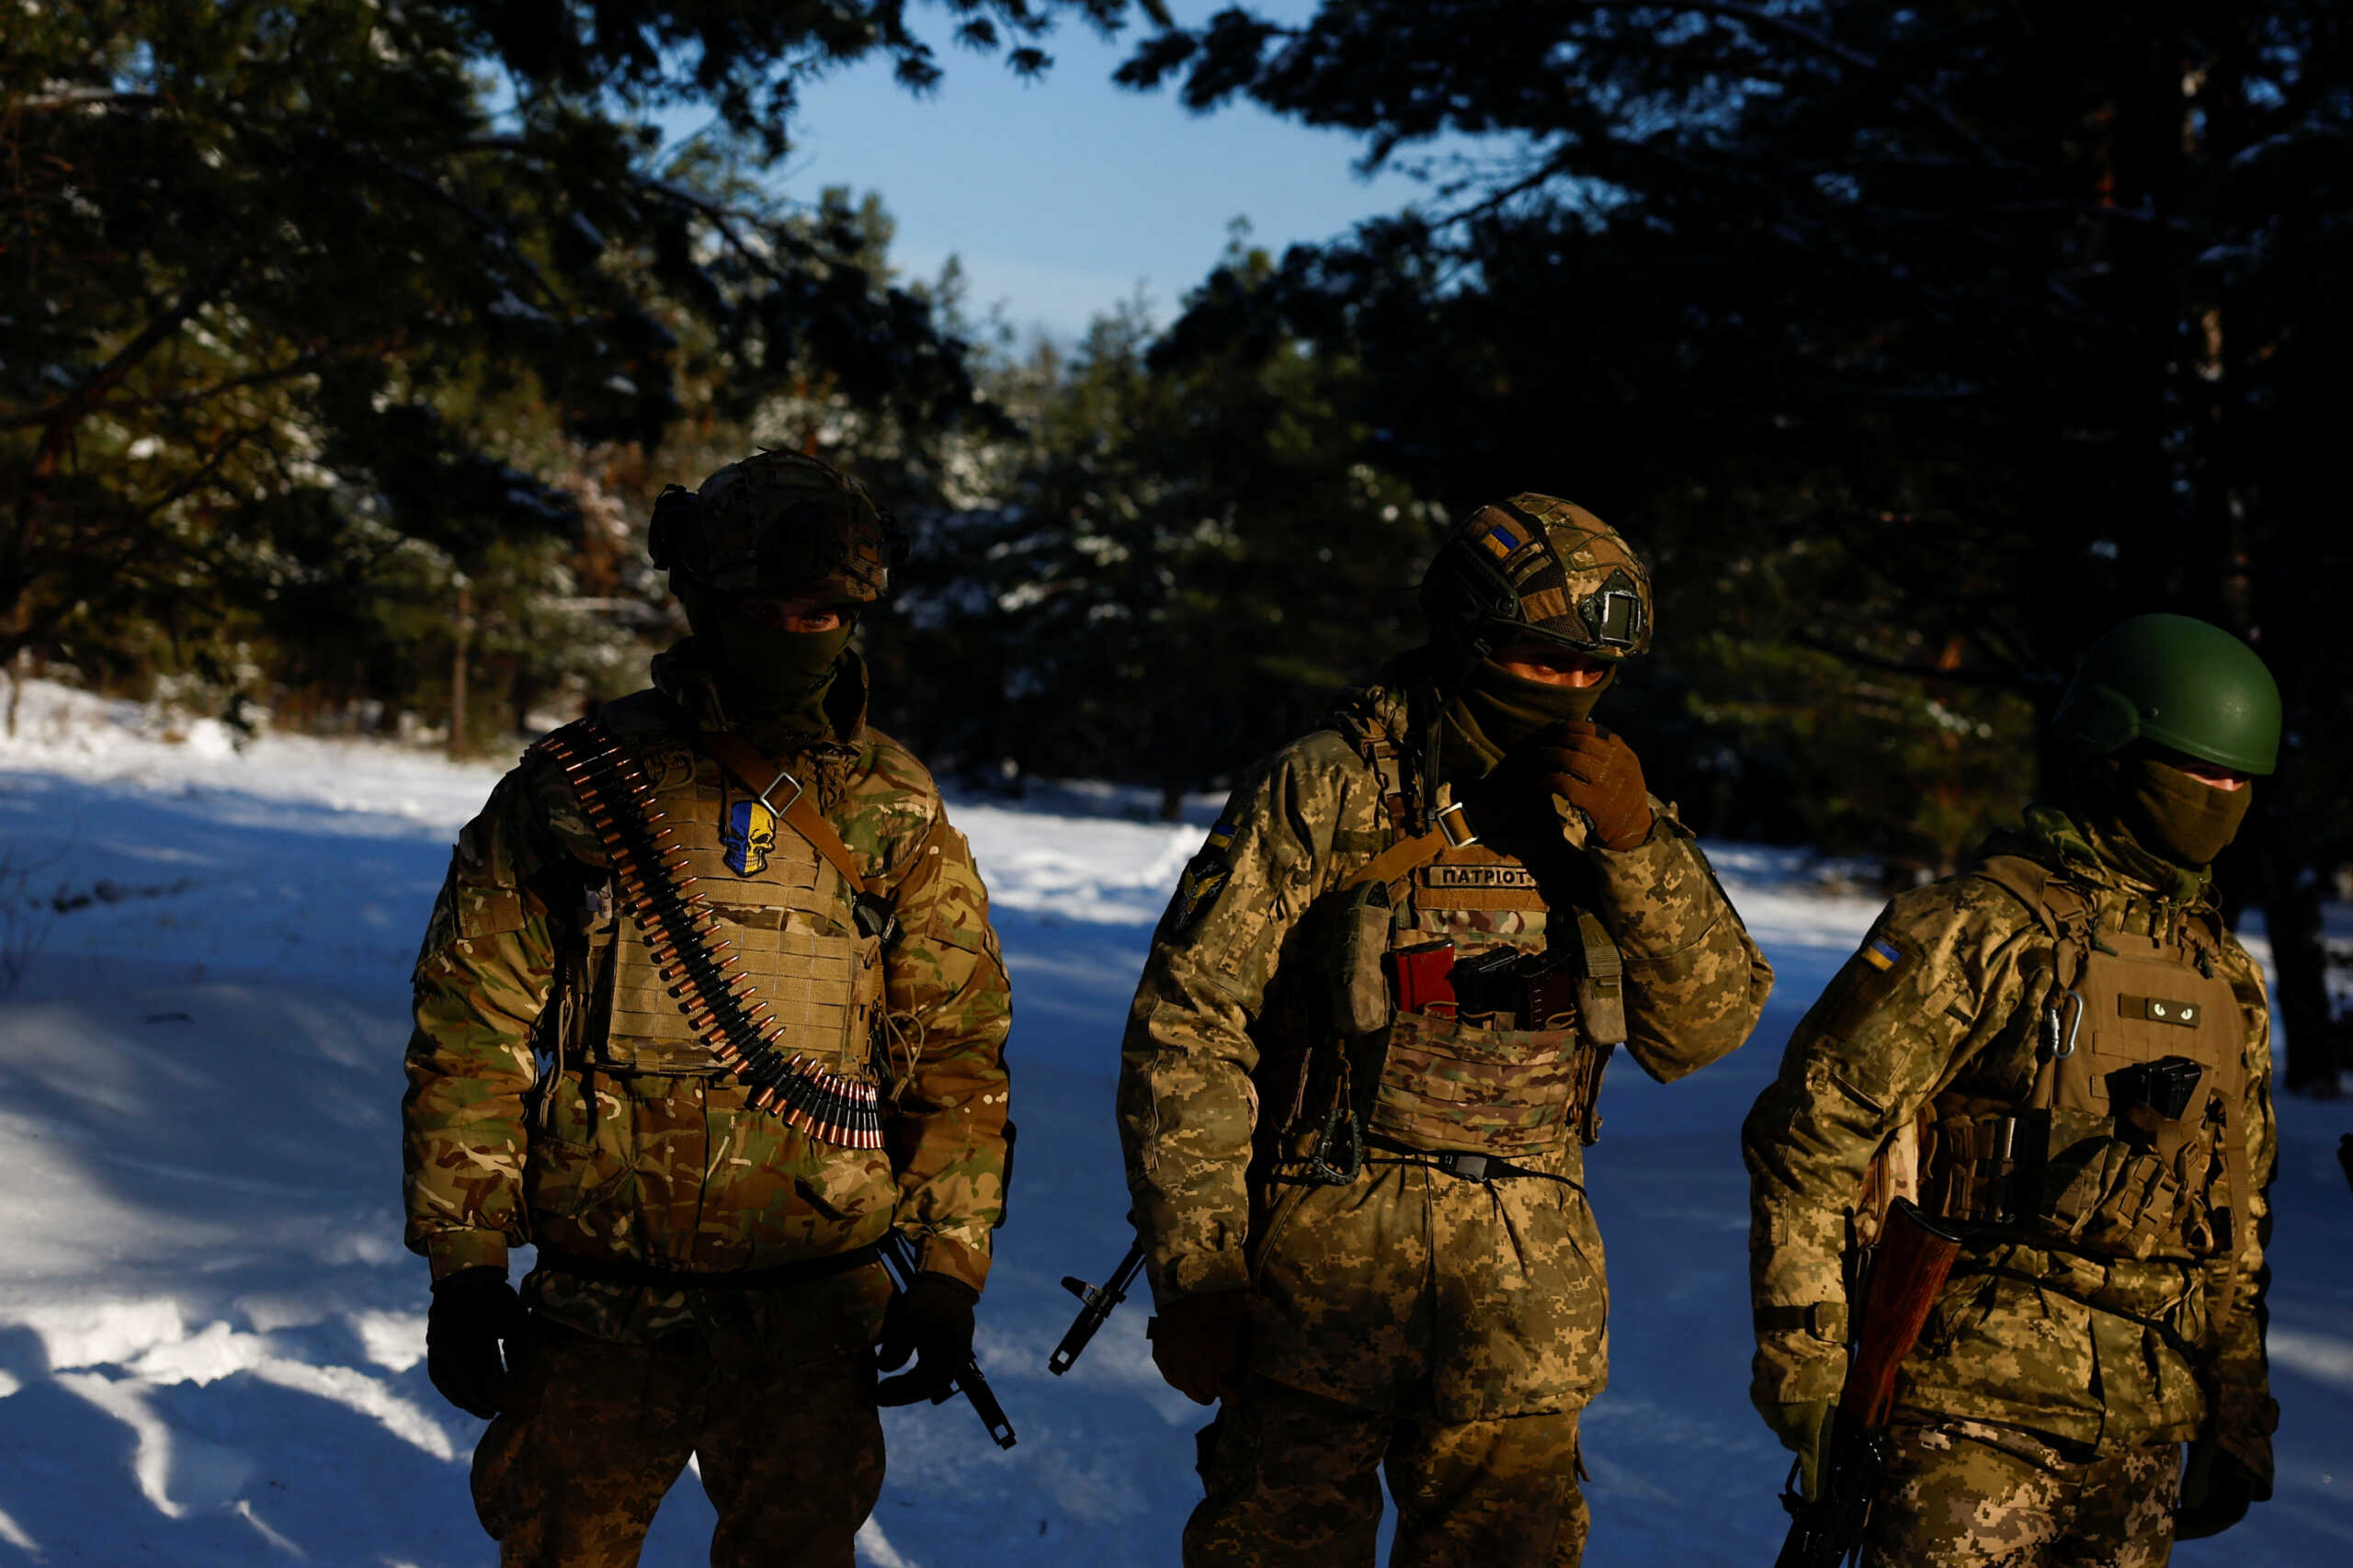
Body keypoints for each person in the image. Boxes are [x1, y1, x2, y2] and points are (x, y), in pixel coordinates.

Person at [1117, 494, 1773, 1566]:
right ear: (1467, 632)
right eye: (1539, 655)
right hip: (1311, 1294)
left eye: (1591, 668)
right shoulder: (1328, 785)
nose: (1566, 688)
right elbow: (1190, 1024)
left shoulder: (1597, 802)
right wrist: (1199, 1271)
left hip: (1521, 1316)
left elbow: (1701, 1028)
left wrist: (1637, 842)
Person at [402, 450, 1013, 1568]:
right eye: (768, 608)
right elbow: (469, 1029)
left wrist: (947, 1267)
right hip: (598, 1303)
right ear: (701, 600)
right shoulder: (577, 783)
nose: (800, 628)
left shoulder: (893, 806)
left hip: (814, 1308)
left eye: (825, 610)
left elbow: (958, 1057)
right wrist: (467, 1259)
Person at [1745, 612, 2281, 1566]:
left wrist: (2235, 1410)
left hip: (2142, 1432)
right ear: (2114, 751)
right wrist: (1807, 1358)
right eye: (2196, 769)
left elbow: (2233, 1217)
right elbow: (1811, 1133)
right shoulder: (1979, 926)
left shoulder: (2223, 972)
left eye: (2238, 778)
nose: (2220, 795)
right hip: (1967, 1418)